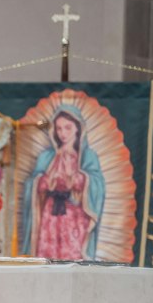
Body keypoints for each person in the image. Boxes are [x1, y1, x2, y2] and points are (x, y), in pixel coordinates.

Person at [27, 110, 102, 261]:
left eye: (68, 127)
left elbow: (97, 184)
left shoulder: (87, 156)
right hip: (50, 214)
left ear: (78, 128)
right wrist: (46, 182)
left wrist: (76, 179)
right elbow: (34, 183)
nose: (63, 133)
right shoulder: (47, 156)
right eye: (59, 128)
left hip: (74, 215)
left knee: (72, 257)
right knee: (48, 257)